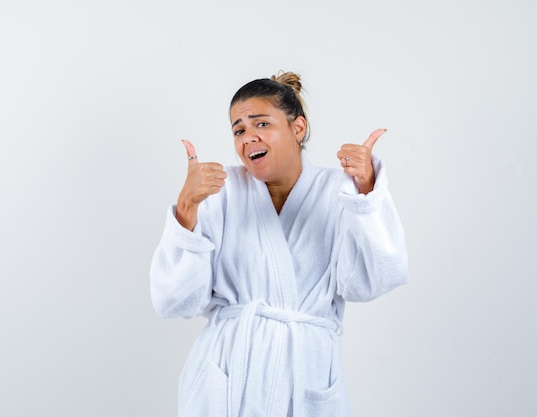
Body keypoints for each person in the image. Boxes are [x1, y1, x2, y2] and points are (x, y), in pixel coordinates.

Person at [150, 71, 409, 416]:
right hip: (228, 379)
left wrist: (367, 195)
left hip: (307, 376)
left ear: (297, 128)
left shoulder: (340, 191)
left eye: (261, 124)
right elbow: (174, 302)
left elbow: (373, 281)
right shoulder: (218, 194)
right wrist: (186, 208)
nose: (248, 137)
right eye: (239, 130)